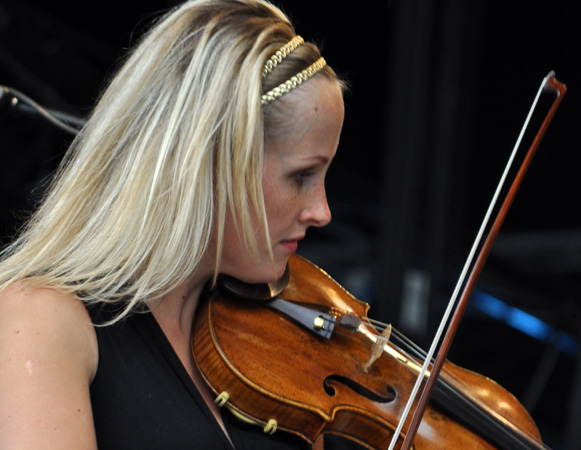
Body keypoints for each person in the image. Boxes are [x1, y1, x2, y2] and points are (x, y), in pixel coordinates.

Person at [0, 0, 345, 448]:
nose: (322, 211)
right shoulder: (42, 320)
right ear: (212, 162)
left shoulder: (275, 349)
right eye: (302, 176)